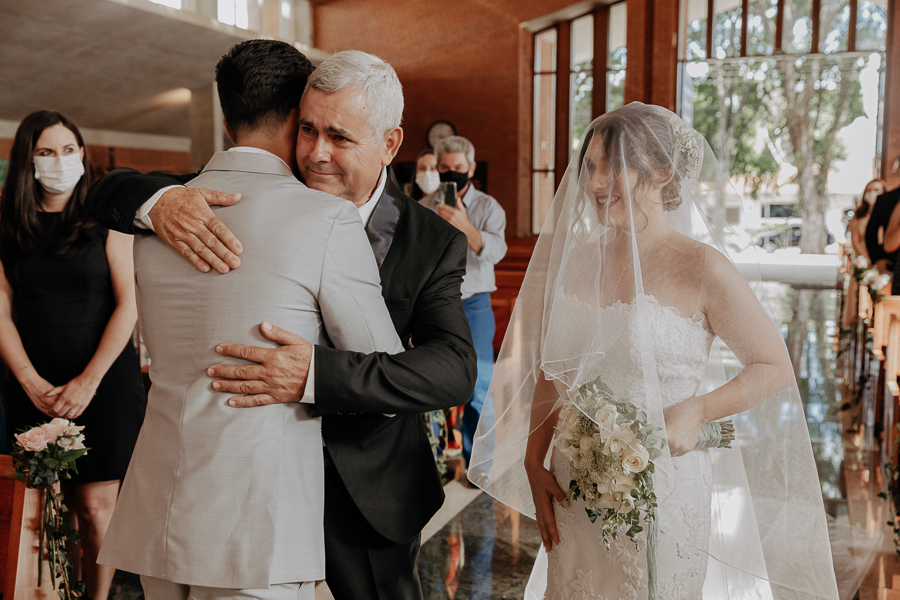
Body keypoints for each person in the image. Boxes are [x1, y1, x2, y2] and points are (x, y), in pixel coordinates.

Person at [84, 50, 476, 600]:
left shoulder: (432, 241)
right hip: (243, 494)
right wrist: (158, 200)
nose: (316, 153)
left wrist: (315, 373)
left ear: (389, 144)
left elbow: (452, 368)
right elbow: (109, 188)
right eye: (309, 129)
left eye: (339, 137)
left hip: (363, 496)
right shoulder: (209, 197)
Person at [469, 103, 843, 599]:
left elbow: (772, 366)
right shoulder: (578, 261)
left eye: (613, 166)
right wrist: (535, 462)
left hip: (663, 484)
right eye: (589, 167)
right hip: (573, 488)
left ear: (662, 172)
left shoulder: (703, 267)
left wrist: (698, 410)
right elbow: (554, 372)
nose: (595, 184)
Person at [0, 110, 146, 600]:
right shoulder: (6, 226)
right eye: (45, 152)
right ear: (27, 160)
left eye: (68, 149)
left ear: (82, 154)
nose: (60, 161)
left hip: (102, 381)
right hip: (32, 381)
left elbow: (129, 305)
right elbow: (0, 312)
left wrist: (88, 381)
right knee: (38, 508)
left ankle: (97, 598)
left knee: (94, 509)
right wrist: (29, 381)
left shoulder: (109, 219)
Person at [420, 135, 507, 466]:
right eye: (445, 168)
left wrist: (464, 225)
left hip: (473, 305)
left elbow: (496, 252)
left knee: (479, 387)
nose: (451, 173)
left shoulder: (488, 207)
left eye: (458, 168)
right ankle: (435, 459)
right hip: (433, 305)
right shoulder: (425, 204)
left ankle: (480, 463)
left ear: (470, 168)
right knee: (431, 382)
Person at [849, 178, 887, 261]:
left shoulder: (888, 214)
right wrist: (868, 260)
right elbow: (856, 240)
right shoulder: (858, 215)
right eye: (869, 190)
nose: (872, 193)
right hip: (863, 260)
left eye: (876, 190)